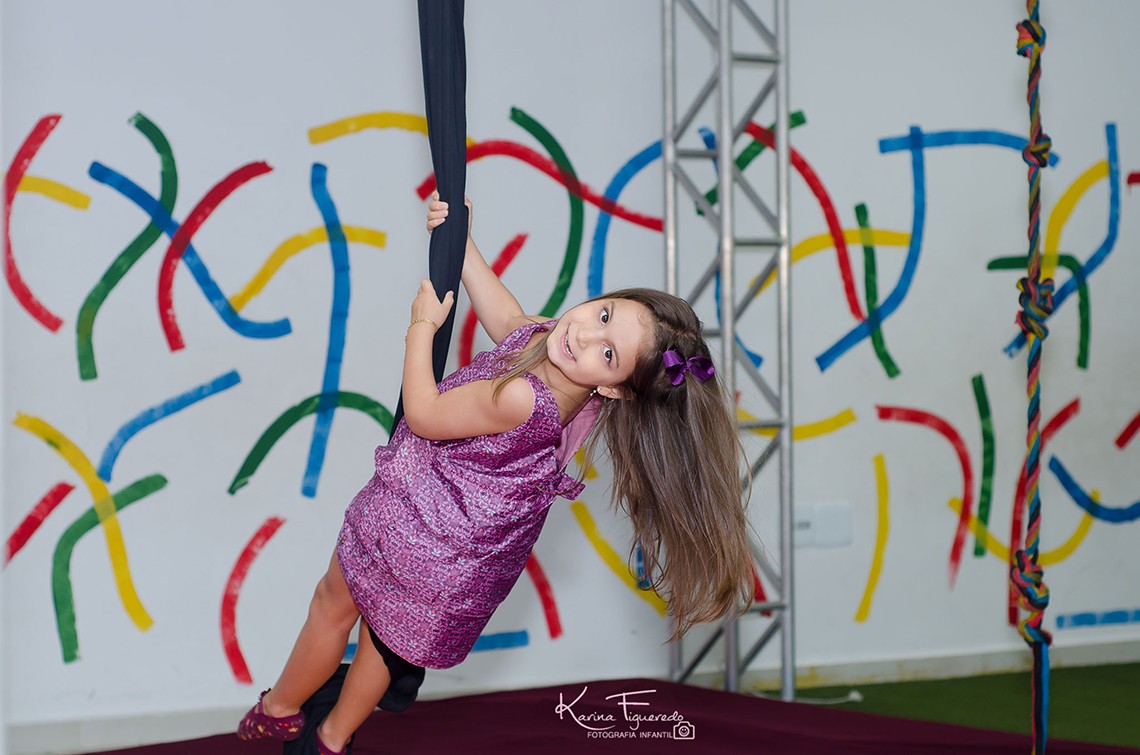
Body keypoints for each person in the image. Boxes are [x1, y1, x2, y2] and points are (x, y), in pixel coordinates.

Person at [237, 194, 757, 754]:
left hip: (421, 526)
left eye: (608, 354)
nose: (584, 335)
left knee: (333, 605)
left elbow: (424, 414)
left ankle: (281, 710)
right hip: (455, 550)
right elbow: (508, 320)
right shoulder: (558, 351)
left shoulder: (525, 400)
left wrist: (421, 327)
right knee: (385, 643)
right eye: (603, 315)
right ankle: (333, 738)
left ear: (612, 390)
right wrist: (460, 240)